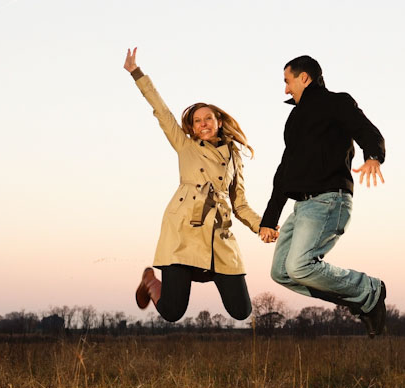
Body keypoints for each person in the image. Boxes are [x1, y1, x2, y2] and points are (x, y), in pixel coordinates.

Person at [124, 48, 269, 322]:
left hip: (219, 234)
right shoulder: (185, 146)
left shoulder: (234, 157)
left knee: (242, 310)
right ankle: (151, 283)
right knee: (171, 311)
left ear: (219, 121)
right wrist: (137, 74)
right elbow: (162, 112)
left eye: (208, 119)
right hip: (184, 232)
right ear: (192, 127)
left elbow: (240, 204)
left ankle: (206, 271)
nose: (203, 124)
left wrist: (262, 226)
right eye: (197, 120)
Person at [259, 55, 387, 337]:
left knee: (300, 266)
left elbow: (366, 130)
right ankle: (360, 301)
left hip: (330, 199)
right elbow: (285, 171)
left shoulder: (336, 102)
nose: (285, 89)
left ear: (304, 78)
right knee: (281, 272)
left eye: (287, 81)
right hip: (302, 206)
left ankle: (369, 290)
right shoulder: (294, 119)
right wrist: (269, 219)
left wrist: (374, 155)